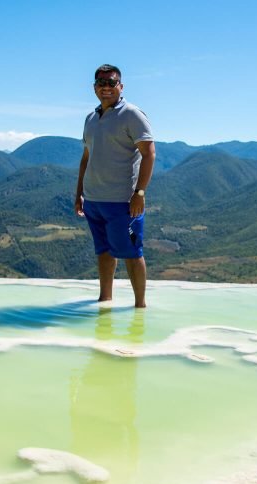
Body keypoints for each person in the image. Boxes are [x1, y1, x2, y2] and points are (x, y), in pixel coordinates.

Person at [74, 64, 156, 308]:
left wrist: (139, 193)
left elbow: (149, 153)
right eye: (101, 83)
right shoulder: (91, 118)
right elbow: (86, 158)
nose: (106, 87)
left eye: (111, 82)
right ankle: (105, 300)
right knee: (104, 251)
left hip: (123, 201)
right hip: (94, 200)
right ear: (94, 87)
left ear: (121, 86)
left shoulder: (132, 114)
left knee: (132, 253)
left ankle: (140, 306)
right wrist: (79, 194)